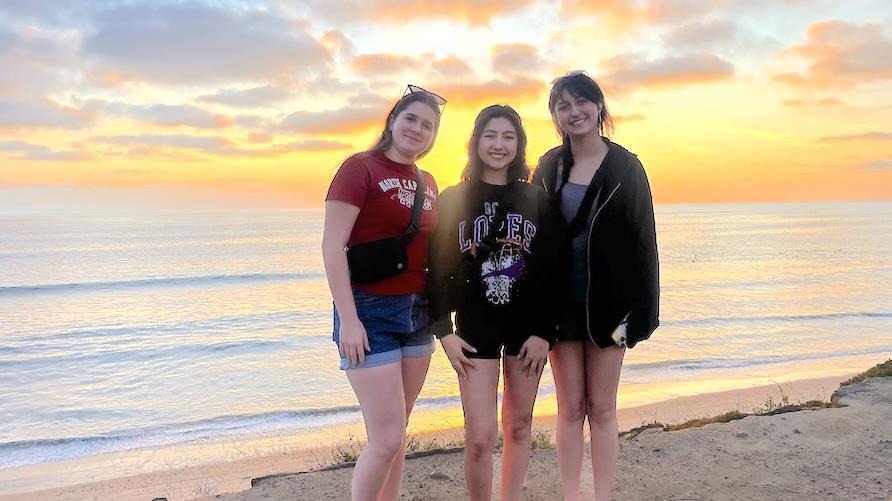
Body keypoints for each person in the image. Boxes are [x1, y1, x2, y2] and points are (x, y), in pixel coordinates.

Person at [531, 71, 659, 501]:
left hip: (611, 304)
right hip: (559, 305)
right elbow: (530, 235)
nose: (574, 112)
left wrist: (642, 315)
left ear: (599, 106)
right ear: (555, 116)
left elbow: (644, 241)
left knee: (602, 409)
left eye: (582, 102)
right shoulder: (549, 165)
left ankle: (600, 495)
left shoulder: (627, 167)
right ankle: (572, 494)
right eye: (563, 106)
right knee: (569, 409)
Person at [428, 104, 563, 501]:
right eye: (490, 135)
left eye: (508, 137)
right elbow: (435, 269)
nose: (499, 145)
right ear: (476, 142)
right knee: (480, 436)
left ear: (519, 144)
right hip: (474, 329)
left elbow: (553, 270)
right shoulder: (454, 198)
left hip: (527, 329)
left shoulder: (536, 199)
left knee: (519, 426)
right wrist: (444, 333)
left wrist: (545, 333)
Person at [322, 85, 446, 501]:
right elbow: (332, 246)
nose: (417, 129)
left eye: (427, 125)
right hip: (369, 311)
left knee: (397, 434)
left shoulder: (427, 181)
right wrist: (349, 320)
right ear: (392, 120)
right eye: (410, 118)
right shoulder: (360, 168)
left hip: (417, 313)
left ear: (433, 137)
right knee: (386, 437)